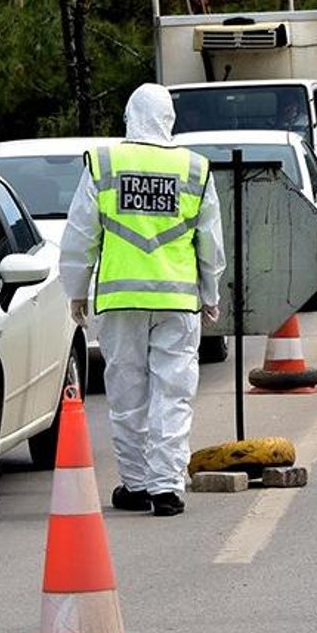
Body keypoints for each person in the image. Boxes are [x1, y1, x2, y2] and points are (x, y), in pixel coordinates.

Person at [59, 83, 226, 517]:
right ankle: (167, 487)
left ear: (129, 118)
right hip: (177, 301)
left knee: (127, 393)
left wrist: (76, 289)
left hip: (121, 301)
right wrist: (210, 292)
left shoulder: (105, 164)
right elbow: (209, 241)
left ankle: (135, 485)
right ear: (170, 120)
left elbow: (80, 233)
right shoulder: (194, 168)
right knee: (173, 393)